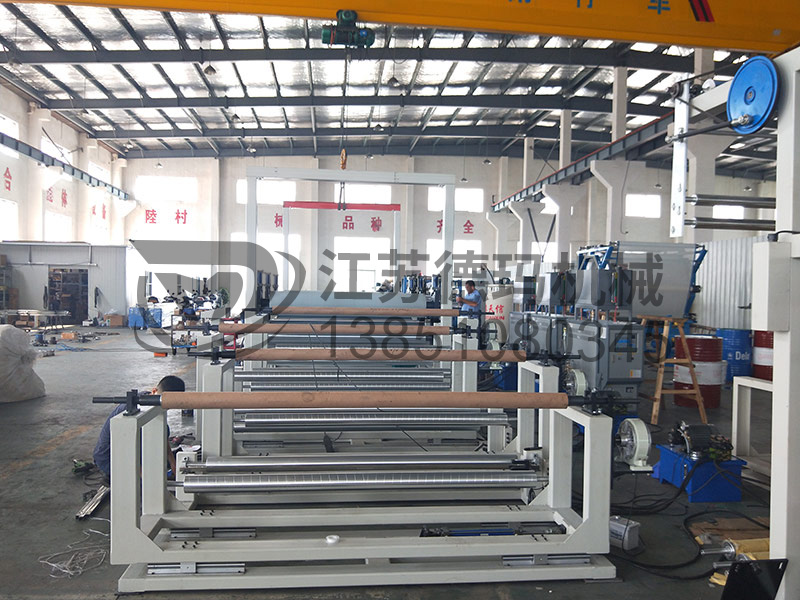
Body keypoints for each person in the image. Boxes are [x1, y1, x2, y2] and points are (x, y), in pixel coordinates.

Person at [92, 375, 185, 484]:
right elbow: (126, 453)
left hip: (133, 451)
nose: (167, 408)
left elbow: (163, 435)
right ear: (154, 391)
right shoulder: (134, 413)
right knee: (141, 486)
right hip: (109, 458)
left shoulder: (157, 403)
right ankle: (113, 476)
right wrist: (147, 480)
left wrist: (173, 463)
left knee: (163, 429)